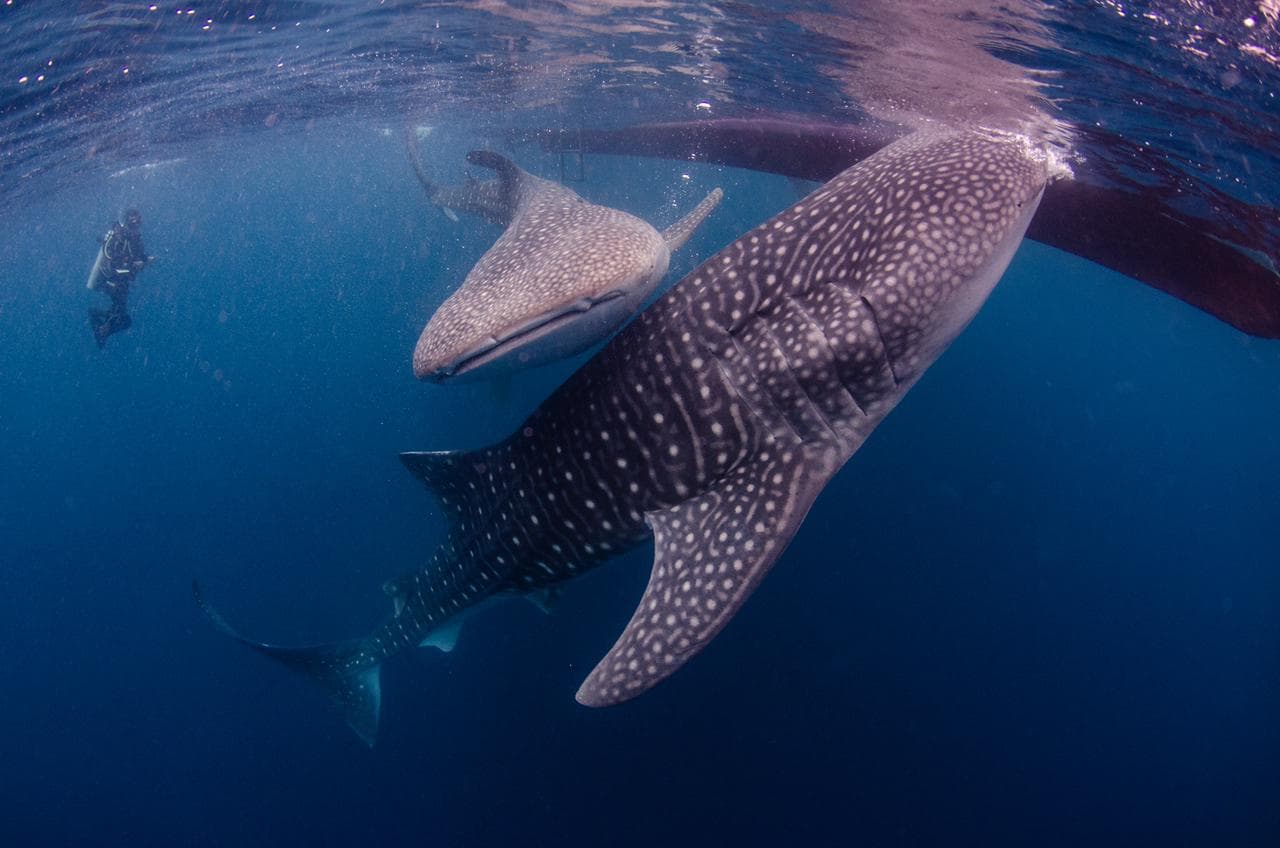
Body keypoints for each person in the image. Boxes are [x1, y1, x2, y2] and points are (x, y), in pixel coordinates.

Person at [87, 208, 152, 348]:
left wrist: (145, 261)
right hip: (114, 282)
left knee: (120, 315)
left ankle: (100, 325)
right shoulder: (119, 236)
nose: (136, 223)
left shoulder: (136, 238)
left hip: (123, 282)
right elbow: (113, 261)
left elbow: (139, 256)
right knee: (123, 319)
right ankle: (101, 329)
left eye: (137, 220)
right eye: (133, 220)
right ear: (128, 220)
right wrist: (133, 265)